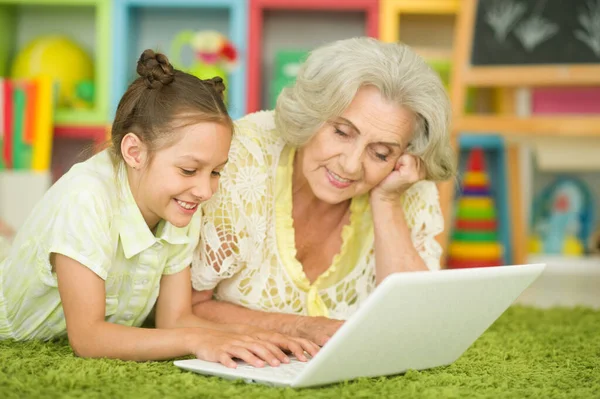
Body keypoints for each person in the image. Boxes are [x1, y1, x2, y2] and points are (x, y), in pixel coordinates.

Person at [0, 50, 318, 367]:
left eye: (216, 172)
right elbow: (88, 337)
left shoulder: (179, 205)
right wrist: (197, 339)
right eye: (189, 170)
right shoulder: (86, 197)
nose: (205, 190)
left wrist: (257, 337)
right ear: (135, 152)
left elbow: (175, 318)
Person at [191, 37, 456, 346]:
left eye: (381, 153)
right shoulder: (239, 159)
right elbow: (184, 308)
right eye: (342, 133)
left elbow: (415, 322)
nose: (351, 165)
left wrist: (387, 199)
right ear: (311, 113)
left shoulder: (404, 183)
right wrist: (299, 327)